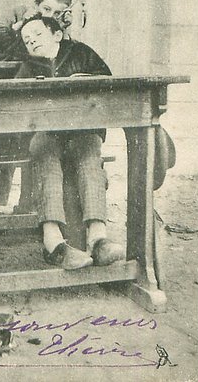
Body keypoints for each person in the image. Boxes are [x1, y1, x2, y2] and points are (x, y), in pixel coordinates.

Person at [17, 14, 124, 270]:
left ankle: (98, 239)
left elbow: (108, 85)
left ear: (57, 35)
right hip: (47, 134)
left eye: (37, 34)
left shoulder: (82, 53)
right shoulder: (28, 67)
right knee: (45, 155)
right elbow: (17, 102)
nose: (32, 41)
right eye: (27, 40)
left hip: (82, 131)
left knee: (89, 157)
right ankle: (53, 242)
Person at [0, 0, 75, 218]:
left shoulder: (55, 27)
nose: (50, 16)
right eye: (46, 9)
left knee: (34, 145)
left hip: (37, 94)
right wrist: (25, 24)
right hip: (9, 90)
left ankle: (27, 203)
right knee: (6, 145)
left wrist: (62, 30)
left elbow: (62, 52)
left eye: (58, 13)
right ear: (35, 5)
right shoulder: (20, 13)